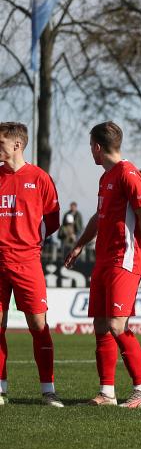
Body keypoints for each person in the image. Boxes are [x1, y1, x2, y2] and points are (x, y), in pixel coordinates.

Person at [64, 121, 141, 408]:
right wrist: (80, 244)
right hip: (104, 259)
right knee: (101, 325)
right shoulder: (106, 178)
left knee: (117, 324)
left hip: (124, 258)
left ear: (97, 147)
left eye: (90, 147)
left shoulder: (129, 174)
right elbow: (98, 216)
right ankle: (107, 393)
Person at [0, 122, 63, 407]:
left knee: (38, 325)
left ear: (17, 145)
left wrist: (28, 239)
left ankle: (48, 390)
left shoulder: (39, 178)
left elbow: (53, 220)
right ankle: (0, 388)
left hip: (27, 262)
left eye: (0, 142)